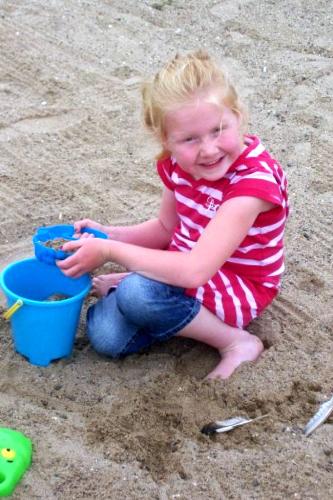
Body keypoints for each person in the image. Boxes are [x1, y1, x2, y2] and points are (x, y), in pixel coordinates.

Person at [57, 50, 289, 379]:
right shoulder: (177, 165)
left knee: (138, 295)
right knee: (105, 336)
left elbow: (195, 271)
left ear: (238, 116)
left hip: (237, 285)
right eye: (190, 139)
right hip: (185, 265)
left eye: (218, 130)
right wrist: (106, 235)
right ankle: (148, 291)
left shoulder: (253, 183)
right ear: (165, 139)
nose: (208, 149)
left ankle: (235, 342)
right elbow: (166, 229)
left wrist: (110, 251)